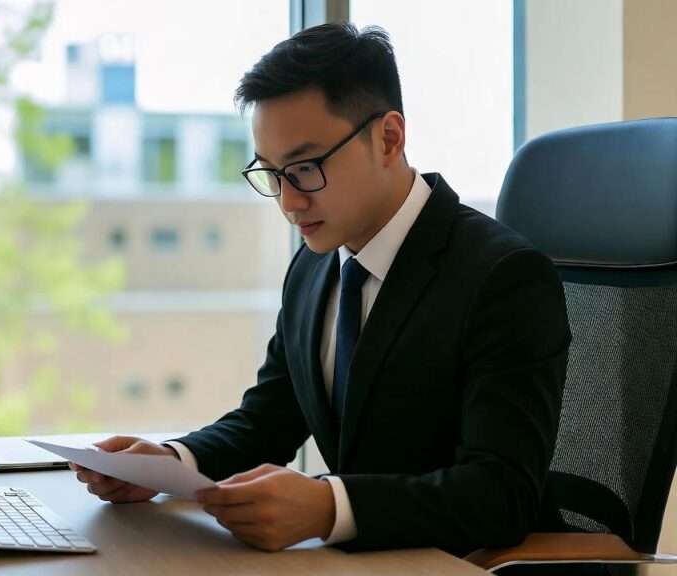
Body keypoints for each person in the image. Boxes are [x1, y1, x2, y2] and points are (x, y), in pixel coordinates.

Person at [71, 22, 570, 557]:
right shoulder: (313, 268)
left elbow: (501, 493)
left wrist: (330, 507)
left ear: (389, 138)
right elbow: (268, 420)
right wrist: (172, 463)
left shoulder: (503, 277)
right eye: (272, 173)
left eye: (306, 168)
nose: (289, 202)